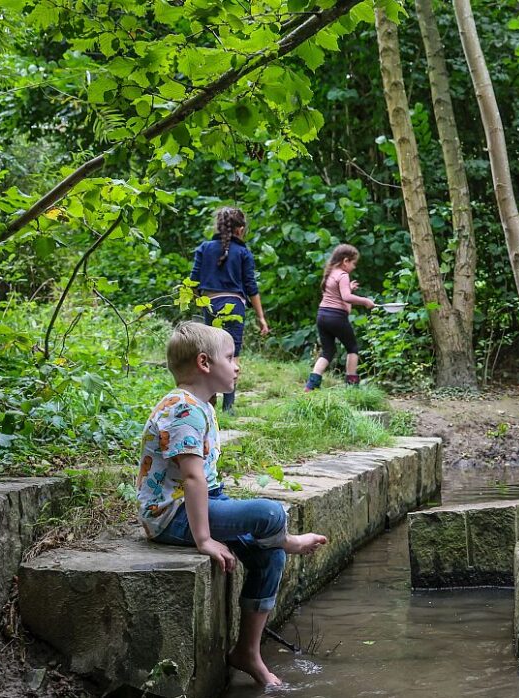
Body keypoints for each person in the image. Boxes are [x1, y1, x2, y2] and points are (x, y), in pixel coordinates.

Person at [137, 322, 328, 687]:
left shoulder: (200, 406)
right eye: (231, 356)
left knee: (267, 555)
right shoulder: (183, 409)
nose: (237, 364)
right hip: (174, 517)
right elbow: (192, 479)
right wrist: (205, 540)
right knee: (272, 514)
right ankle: (287, 538)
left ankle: (247, 652)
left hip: (198, 505)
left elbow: (204, 482)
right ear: (205, 363)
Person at [190, 206, 269, 412]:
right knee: (232, 354)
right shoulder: (243, 252)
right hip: (234, 305)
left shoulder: (204, 248)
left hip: (209, 303)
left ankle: (210, 402)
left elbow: (193, 282)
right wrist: (261, 317)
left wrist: (202, 300)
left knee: (212, 351)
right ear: (240, 230)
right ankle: (229, 406)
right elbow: (251, 286)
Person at [305, 243, 375, 391]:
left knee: (328, 351)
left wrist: (348, 288)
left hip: (322, 315)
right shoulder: (343, 275)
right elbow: (346, 297)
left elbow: (337, 294)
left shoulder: (330, 273)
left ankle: (311, 385)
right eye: (353, 263)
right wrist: (365, 301)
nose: (354, 267)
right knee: (352, 348)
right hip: (336, 317)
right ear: (345, 261)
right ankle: (351, 386)